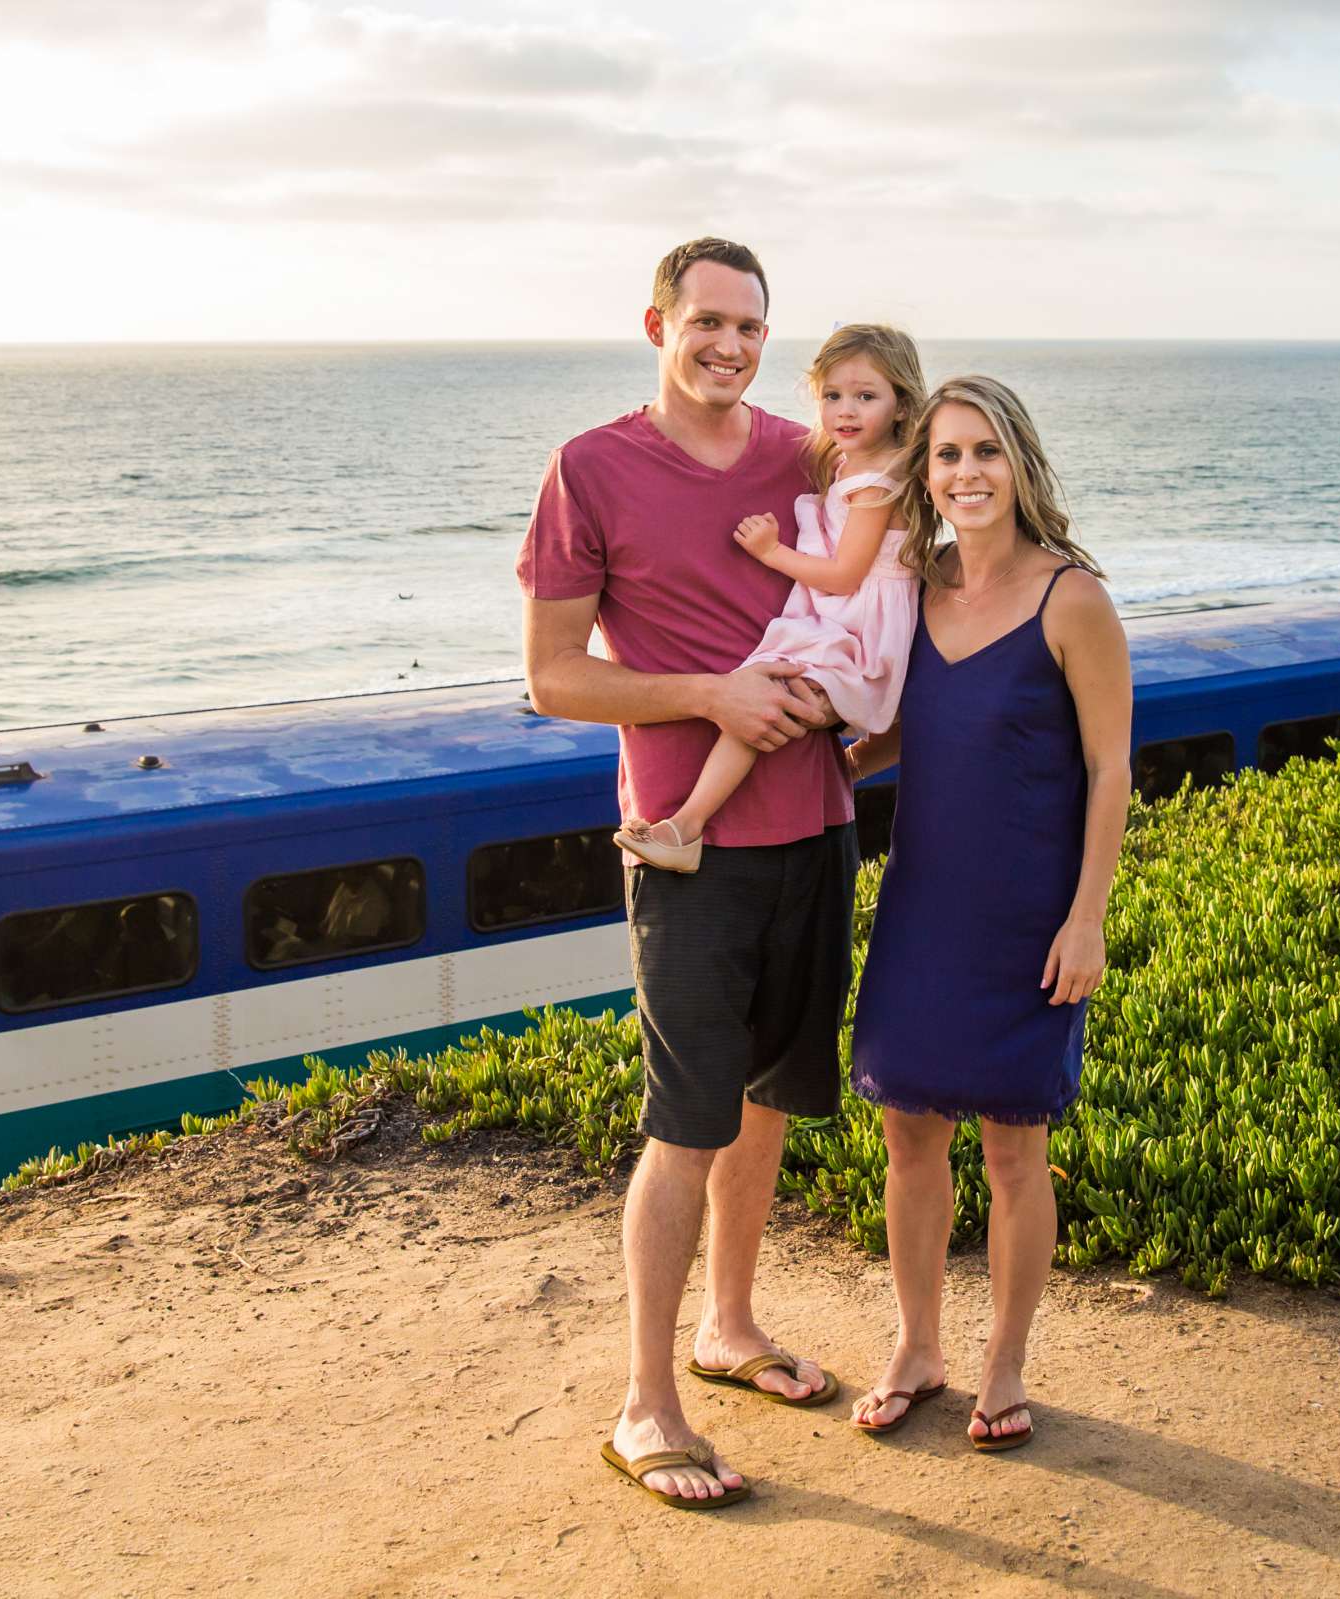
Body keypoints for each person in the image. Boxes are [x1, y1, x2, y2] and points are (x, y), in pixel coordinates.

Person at [518, 238, 856, 1510]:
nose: (730, 345)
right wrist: (709, 693)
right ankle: (645, 1404)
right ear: (657, 321)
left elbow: (878, 567)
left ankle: (730, 1326)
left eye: (752, 327)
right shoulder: (591, 468)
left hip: (816, 824)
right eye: (708, 321)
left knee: (767, 1099)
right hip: (689, 844)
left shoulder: (799, 454)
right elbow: (555, 676)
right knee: (684, 1123)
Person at [842, 376, 1132, 1453]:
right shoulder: (915, 592)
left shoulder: (1074, 599)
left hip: (1027, 918)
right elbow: (927, 720)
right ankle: (918, 1346)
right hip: (923, 908)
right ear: (924, 477)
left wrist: (1087, 917)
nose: (966, 473)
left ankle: (1004, 1364)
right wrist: (847, 755)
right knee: (908, 1140)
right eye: (946, 456)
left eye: (985, 452)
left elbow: (1110, 768)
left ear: (1021, 465)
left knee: (1016, 1156)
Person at [616, 325, 926, 872]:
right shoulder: (851, 464)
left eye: (866, 396)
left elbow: (843, 574)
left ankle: (685, 827)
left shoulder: (878, 482)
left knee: (764, 698)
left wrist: (770, 551)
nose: (844, 411)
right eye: (832, 396)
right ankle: (685, 825)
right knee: (765, 693)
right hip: (844, 619)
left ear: (901, 405)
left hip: (859, 626)